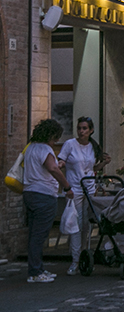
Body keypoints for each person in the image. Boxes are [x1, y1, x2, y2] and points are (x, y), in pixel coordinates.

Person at [22, 119, 74, 283]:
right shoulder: (45, 148)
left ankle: (37, 268)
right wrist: (67, 186)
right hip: (43, 195)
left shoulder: (30, 148)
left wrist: (55, 164)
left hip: (29, 193)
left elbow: (44, 166)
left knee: (33, 233)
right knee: (39, 235)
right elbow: (52, 168)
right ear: (51, 135)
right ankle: (35, 272)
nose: (56, 141)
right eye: (56, 137)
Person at [58, 116, 110, 276]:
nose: (81, 131)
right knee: (76, 224)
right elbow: (61, 161)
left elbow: (92, 168)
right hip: (75, 189)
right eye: (79, 128)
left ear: (91, 130)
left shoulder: (93, 147)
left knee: (87, 225)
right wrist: (60, 168)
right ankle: (75, 261)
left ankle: (85, 257)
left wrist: (104, 163)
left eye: (84, 128)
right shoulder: (70, 145)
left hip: (89, 187)